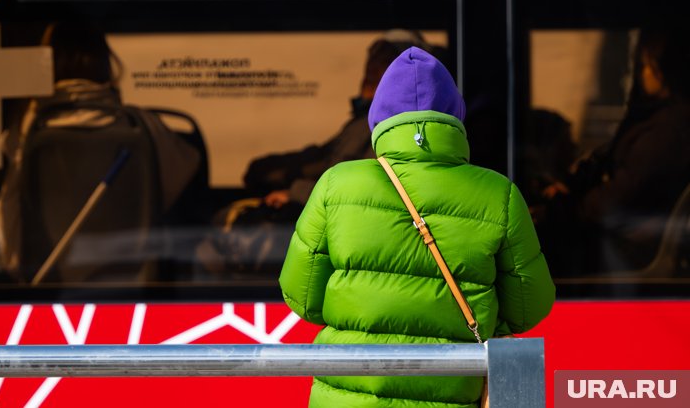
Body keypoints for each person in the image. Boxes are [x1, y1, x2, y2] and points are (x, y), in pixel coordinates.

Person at [279, 47, 555, 407]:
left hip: (347, 397)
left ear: (378, 119)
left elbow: (301, 297)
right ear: (455, 119)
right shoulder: (499, 193)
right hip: (452, 394)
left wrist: (360, 313)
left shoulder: (336, 184)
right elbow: (528, 309)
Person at [0, 21, 202, 280]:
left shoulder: (30, 129)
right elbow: (181, 172)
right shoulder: (139, 127)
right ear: (105, 64)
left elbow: (11, 207)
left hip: (49, 278)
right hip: (131, 276)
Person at [244, 29, 441, 210]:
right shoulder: (365, 118)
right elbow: (324, 157)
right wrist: (273, 169)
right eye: (373, 57)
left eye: (383, 60)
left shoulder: (388, 125)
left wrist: (295, 192)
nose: (372, 67)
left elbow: (365, 187)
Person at [573, 24, 690, 273]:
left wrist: (572, 204)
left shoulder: (665, 131)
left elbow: (618, 197)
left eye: (648, 65)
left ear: (666, 70)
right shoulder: (658, 118)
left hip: (629, 247)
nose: (641, 73)